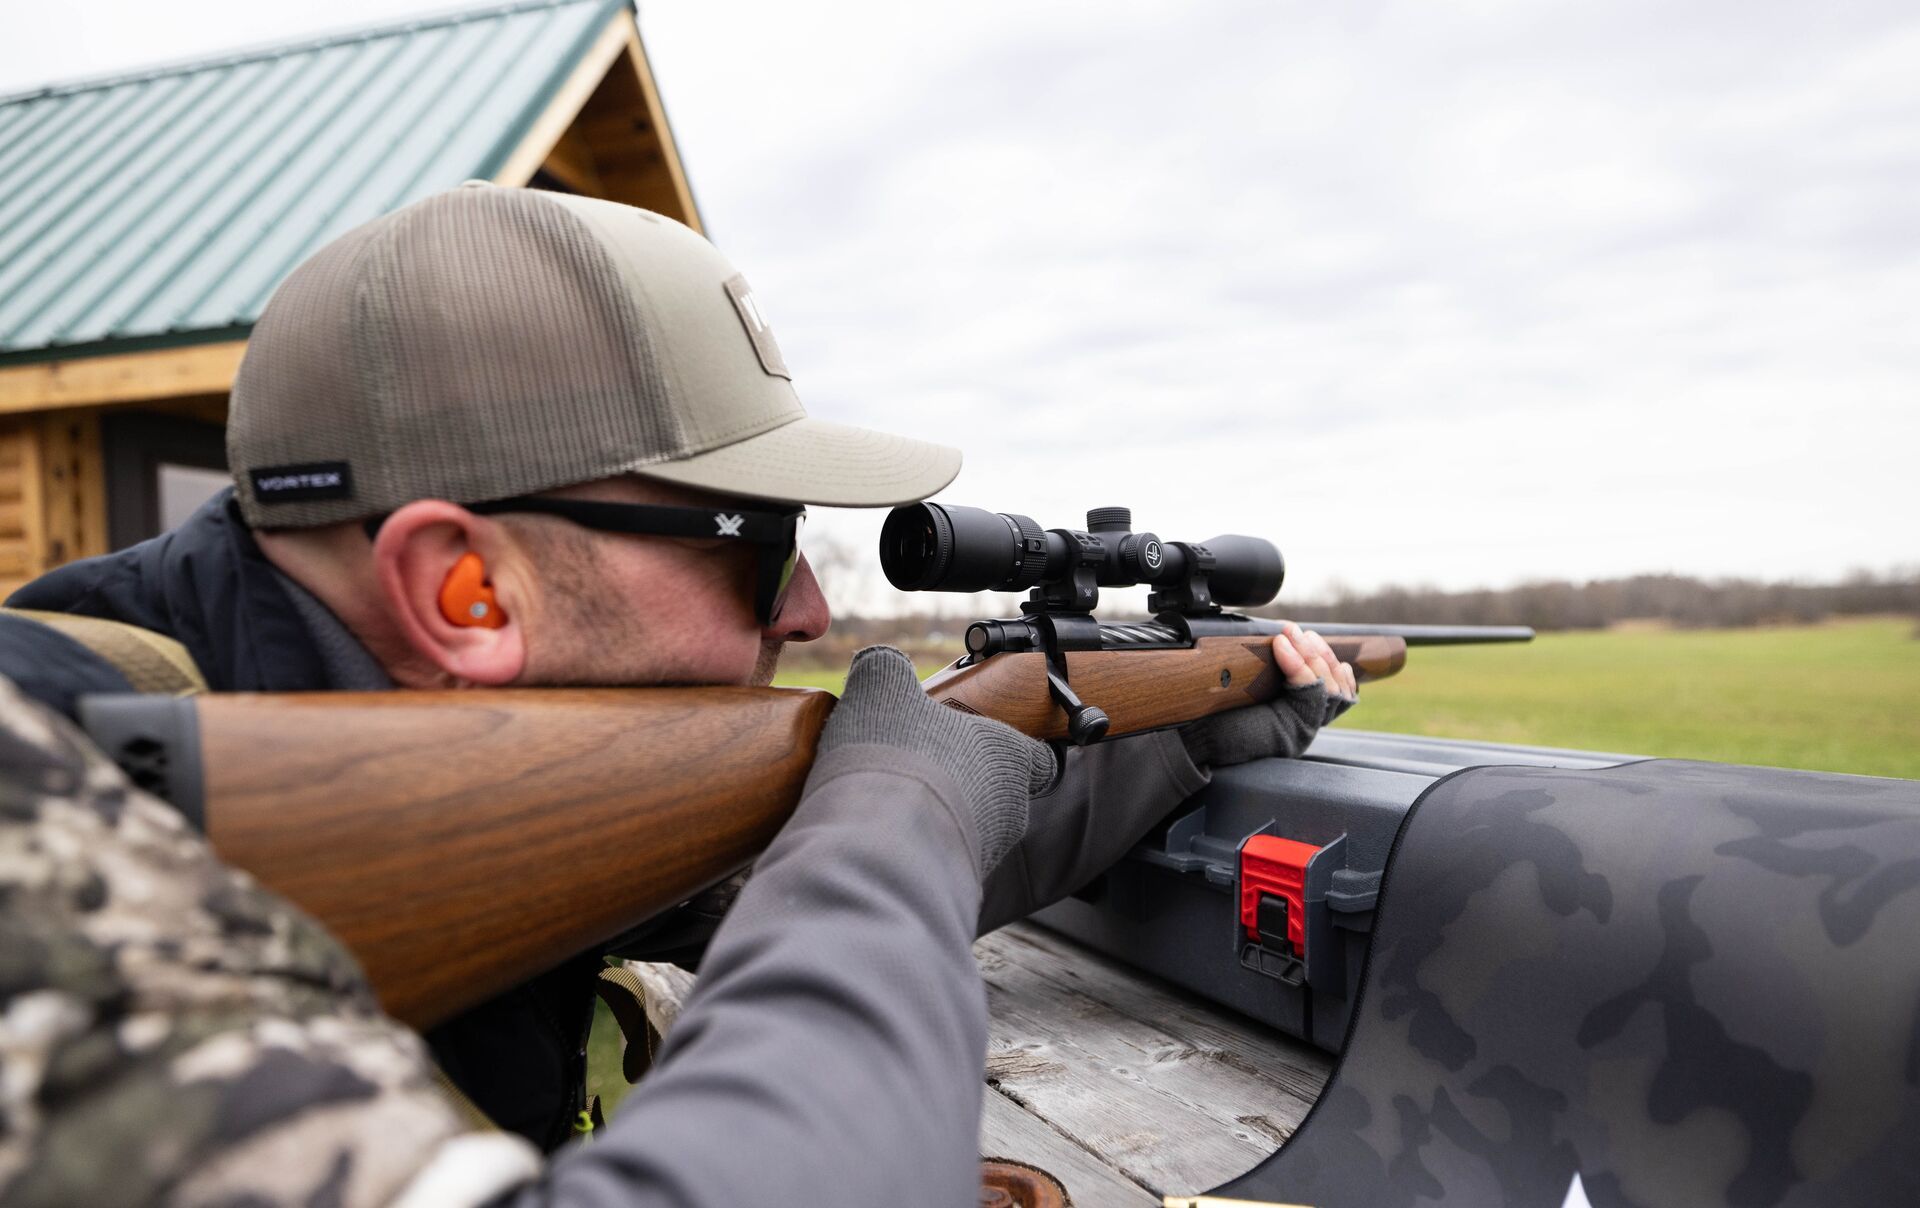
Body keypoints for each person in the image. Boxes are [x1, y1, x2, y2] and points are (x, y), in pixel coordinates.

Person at [0, 184, 1358, 1205]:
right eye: (757, 549)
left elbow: (787, 892)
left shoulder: (467, 773)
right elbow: (857, 884)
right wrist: (891, 810)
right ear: (465, 590)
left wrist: (1183, 740)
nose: (813, 611)